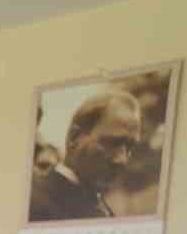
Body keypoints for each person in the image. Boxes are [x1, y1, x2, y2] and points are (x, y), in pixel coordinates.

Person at [29, 91, 142, 222]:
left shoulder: (100, 205)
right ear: (74, 138)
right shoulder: (36, 201)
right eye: (112, 143)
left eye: (129, 148)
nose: (122, 160)